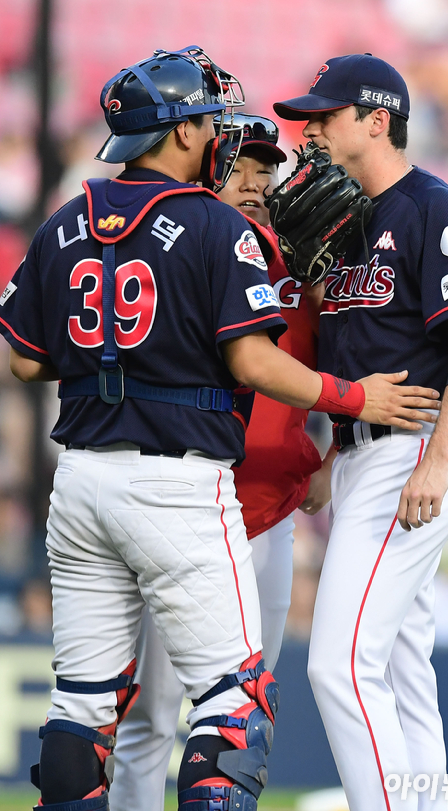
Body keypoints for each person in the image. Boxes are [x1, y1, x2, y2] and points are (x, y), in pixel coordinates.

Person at [0, 45, 440, 811]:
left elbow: (26, 365)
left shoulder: (68, 220)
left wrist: (112, 356)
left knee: (82, 706)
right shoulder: (210, 226)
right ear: (185, 133)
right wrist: (352, 399)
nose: (250, 172)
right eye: (210, 126)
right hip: (180, 486)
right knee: (232, 704)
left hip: (86, 478)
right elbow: (253, 361)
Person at [273, 53, 448, 811]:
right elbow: (363, 357)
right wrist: (332, 455)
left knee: (338, 664)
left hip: (412, 460)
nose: (310, 133)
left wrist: (437, 463)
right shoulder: (338, 224)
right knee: (404, 667)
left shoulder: (437, 209)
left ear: (377, 120)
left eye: (326, 118)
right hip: (367, 460)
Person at [110, 114, 335, 811]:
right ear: (204, 164)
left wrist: (330, 450)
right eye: (237, 165)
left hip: (266, 510)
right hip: (174, 504)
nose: (254, 184)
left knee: (245, 710)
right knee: (150, 712)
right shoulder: (178, 253)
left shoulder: (298, 261)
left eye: (264, 171)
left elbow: (346, 355)